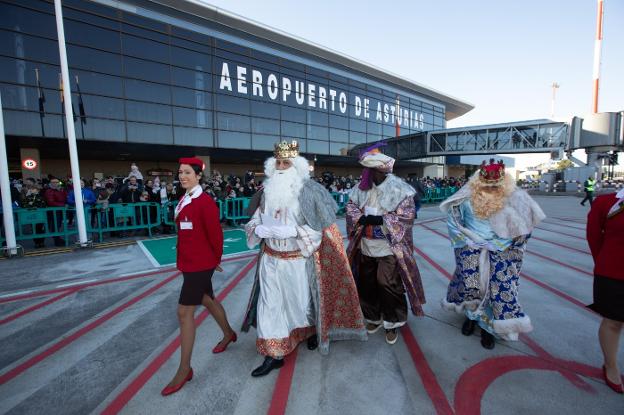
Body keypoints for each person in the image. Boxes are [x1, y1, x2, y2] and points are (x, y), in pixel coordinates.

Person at [242, 140, 366, 377]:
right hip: (270, 260)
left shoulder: (310, 192)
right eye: (277, 162)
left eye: (285, 162)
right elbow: (255, 218)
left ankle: (309, 331)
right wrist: (257, 229)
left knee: (300, 305)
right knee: (269, 306)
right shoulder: (265, 192)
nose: (280, 167)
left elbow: (321, 230)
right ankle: (274, 353)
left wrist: (294, 231)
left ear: (296, 165)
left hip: (297, 260)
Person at [440, 159, 545, 349]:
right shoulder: (465, 198)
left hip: (502, 251)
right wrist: (467, 241)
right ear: (479, 181)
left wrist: (502, 244)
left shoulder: (515, 198)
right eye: (488, 184)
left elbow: (525, 227)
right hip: (470, 249)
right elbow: (453, 221)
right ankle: (471, 317)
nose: (491, 188)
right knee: (472, 286)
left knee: (497, 289)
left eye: (495, 185)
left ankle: (489, 327)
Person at [161, 157, 236, 396]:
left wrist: (216, 261)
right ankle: (228, 334)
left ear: (198, 176)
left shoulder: (204, 202)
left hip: (201, 265)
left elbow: (216, 235)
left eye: (187, 173)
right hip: (189, 262)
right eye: (180, 173)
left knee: (184, 312)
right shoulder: (185, 198)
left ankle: (185, 369)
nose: (182, 176)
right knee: (206, 299)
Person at [345, 144, 426, 345]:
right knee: (367, 283)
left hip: (388, 246)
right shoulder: (360, 188)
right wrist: (360, 218)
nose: (367, 174)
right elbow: (351, 207)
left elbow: (407, 216)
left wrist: (382, 220)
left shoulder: (400, 189)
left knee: (387, 283)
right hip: (365, 244)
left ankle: (392, 322)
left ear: (381, 170)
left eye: (370, 170)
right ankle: (373, 317)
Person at [586, 188, 624, 394]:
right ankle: (611, 365)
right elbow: (593, 237)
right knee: (613, 321)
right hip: (613, 272)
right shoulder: (606, 203)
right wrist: (605, 262)